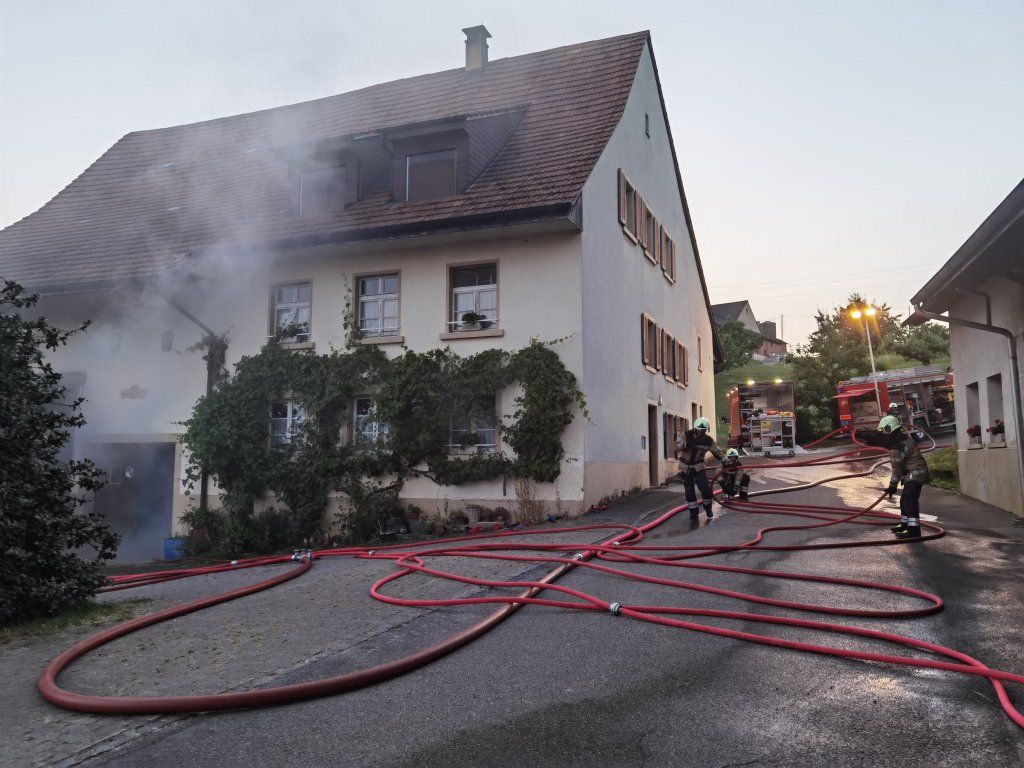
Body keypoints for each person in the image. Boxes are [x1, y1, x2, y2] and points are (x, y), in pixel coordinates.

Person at [877, 414, 931, 538]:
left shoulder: (896, 447)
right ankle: (905, 524)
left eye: (883, 431)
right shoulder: (906, 440)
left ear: (889, 430)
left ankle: (913, 530)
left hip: (915, 474)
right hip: (916, 472)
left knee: (910, 500)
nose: (882, 434)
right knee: (904, 499)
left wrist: (892, 486)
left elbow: (897, 469)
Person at [675, 417, 724, 520]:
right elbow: (676, 447)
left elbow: (717, 452)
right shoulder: (686, 435)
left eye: (704, 430)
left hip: (698, 466)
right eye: (699, 430)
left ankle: (708, 509)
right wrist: (686, 444)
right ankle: (693, 513)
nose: (701, 432)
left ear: (707, 430)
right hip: (685, 467)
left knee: (705, 489)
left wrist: (728, 461)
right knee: (689, 491)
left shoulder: (708, 441)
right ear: (695, 428)